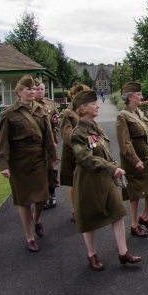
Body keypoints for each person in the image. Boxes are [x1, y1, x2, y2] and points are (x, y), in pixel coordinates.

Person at [71, 90, 141, 270]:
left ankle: (123, 252)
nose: (98, 106)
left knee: (117, 213)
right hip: (88, 180)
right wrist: (111, 168)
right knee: (88, 218)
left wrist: (114, 167)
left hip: (105, 177)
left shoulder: (97, 128)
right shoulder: (77, 134)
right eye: (94, 104)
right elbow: (87, 159)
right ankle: (91, 254)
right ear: (83, 108)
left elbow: (106, 152)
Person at [0, 75, 60, 252]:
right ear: (19, 92)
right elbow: (2, 142)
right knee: (24, 200)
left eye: (34, 89)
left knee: (42, 196)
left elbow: (48, 136)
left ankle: (37, 218)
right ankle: (29, 235)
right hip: (19, 161)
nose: (32, 92)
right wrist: (4, 165)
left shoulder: (41, 110)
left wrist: (54, 155)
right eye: (28, 89)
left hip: (38, 158)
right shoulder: (9, 114)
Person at [115, 82, 148, 238]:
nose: (141, 97)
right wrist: (135, 160)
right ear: (130, 97)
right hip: (132, 162)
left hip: (145, 159)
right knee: (135, 193)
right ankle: (134, 224)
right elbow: (124, 143)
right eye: (139, 94)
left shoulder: (139, 114)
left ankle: (144, 217)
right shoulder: (122, 116)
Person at [59, 82, 88, 222]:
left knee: (83, 181)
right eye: (79, 94)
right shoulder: (68, 113)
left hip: (85, 152)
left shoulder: (83, 112)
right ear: (73, 95)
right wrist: (79, 149)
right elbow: (67, 136)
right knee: (73, 182)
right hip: (72, 153)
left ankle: (82, 207)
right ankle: (75, 209)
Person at [35, 80, 61, 208]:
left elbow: (58, 121)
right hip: (37, 142)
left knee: (52, 168)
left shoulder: (50, 103)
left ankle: (52, 192)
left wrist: (56, 121)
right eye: (37, 89)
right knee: (40, 170)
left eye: (42, 89)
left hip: (51, 141)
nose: (40, 92)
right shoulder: (31, 105)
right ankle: (42, 196)